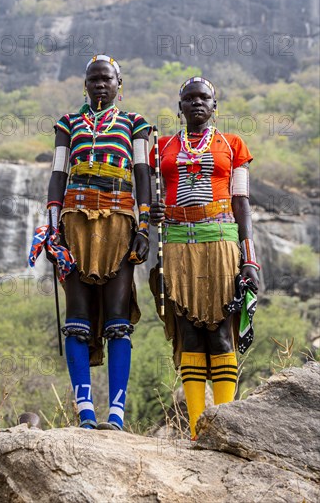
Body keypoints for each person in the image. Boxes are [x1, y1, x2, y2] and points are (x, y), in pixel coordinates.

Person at [149, 76, 259, 440]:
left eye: (204, 98)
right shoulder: (161, 147)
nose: (197, 104)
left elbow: (241, 202)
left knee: (221, 336)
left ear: (215, 105)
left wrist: (250, 258)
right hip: (178, 246)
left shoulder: (233, 145)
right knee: (189, 336)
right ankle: (198, 431)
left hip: (222, 245)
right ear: (179, 107)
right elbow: (145, 190)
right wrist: (151, 210)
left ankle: (225, 428)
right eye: (189, 99)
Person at [46, 54, 151, 431]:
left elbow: (142, 173)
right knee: (76, 319)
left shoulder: (134, 124)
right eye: (93, 79)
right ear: (85, 85)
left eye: (107, 79)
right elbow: (59, 174)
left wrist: (144, 225)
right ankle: (86, 413)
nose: (100, 84)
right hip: (73, 221)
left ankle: (117, 415)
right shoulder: (68, 124)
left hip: (121, 219)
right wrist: (51, 227)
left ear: (119, 84)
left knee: (118, 319)